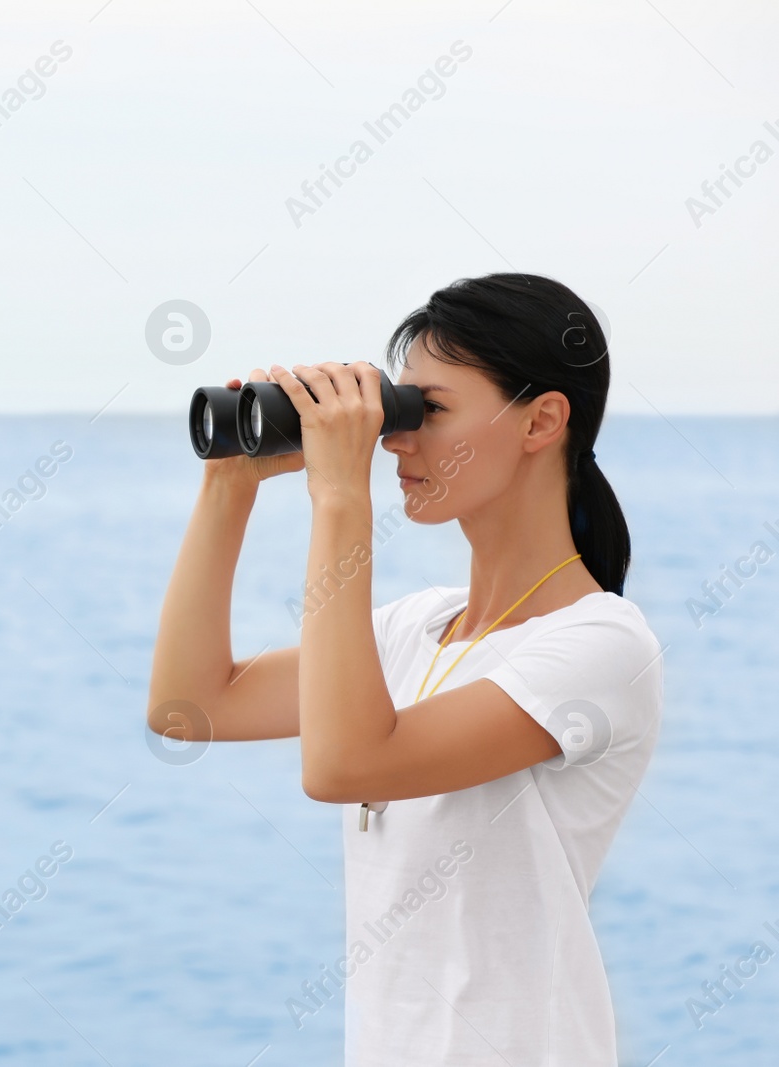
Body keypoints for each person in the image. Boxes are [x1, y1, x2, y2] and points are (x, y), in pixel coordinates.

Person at [147, 273, 664, 1065]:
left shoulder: (600, 646)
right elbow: (190, 706)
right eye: (398, 409)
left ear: (542, 420)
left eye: (430, 410)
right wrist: (230, 487)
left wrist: (339, 495)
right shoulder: (417, 627)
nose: (394, 438)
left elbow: (344, 763)